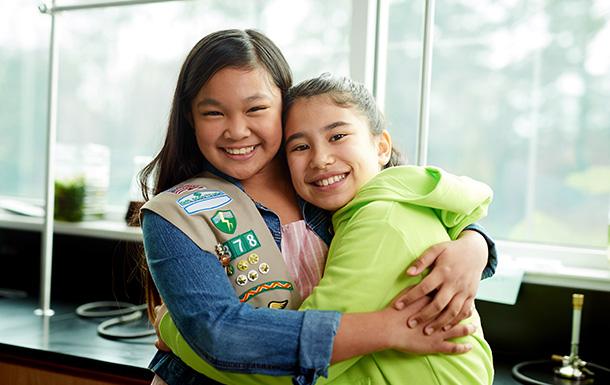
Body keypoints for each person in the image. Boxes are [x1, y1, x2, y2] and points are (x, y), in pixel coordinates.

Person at [139, 29, 497, 385]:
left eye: (257, 108)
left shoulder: (328, 184)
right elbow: (219, 336)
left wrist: (474, 245)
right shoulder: (177, 214)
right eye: (214, 113)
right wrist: (386, 329)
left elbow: (414, 205)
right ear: (190, 116)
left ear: (284, 105)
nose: (236, 130)